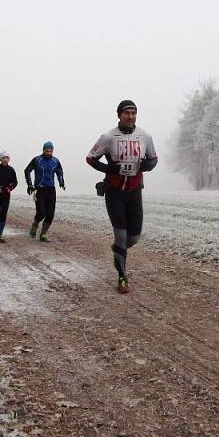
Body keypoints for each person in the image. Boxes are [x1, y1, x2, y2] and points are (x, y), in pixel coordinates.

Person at [86, 100, 157, 293]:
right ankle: (122, 277)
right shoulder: (108, 137)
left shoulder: (145, 136)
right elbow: (90, 158)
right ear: (119, 115)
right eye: (127, 113)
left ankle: (118, 250)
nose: (130, 116)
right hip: (114, 192)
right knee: (121, 235)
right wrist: (111, 168)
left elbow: (153, 159)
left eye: (134, 113)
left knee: (133, 239)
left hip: (135, 192)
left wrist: (146, 166)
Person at [24, 141, 65, 242]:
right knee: (41, 213)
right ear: (43, 150)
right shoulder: (37, 160)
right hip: (40, 189)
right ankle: (35, 224)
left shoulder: (55, 161)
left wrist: (61, 181)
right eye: (47, 151)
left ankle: (43, 234)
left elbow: (59, 171)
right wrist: (29, 184)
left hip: (51, 190)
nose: (48, 153)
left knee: (50, 215)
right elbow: (27, 170)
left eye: (50, 151)